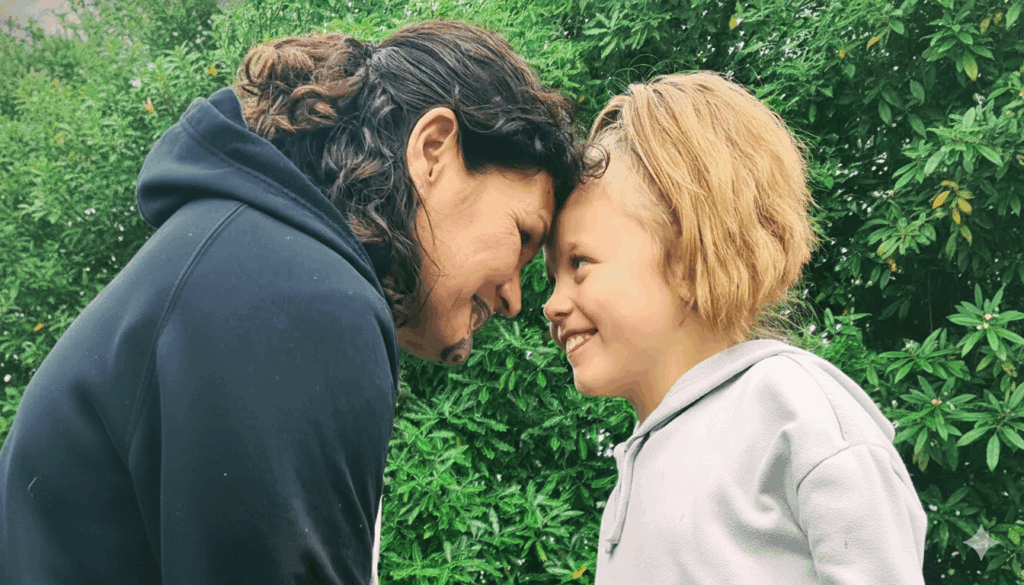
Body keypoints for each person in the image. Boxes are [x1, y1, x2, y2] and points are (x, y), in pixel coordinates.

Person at [0, 21, 587, 584]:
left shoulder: (248, 263)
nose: (514, 297)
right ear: (433, 150)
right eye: (523, 235)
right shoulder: (300, 299)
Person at [541, 72, 928, 583]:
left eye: (580, 263)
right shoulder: (640, 464)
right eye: (550, 278)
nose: (551, 304)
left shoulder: (792, 410)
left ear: (685, 259)